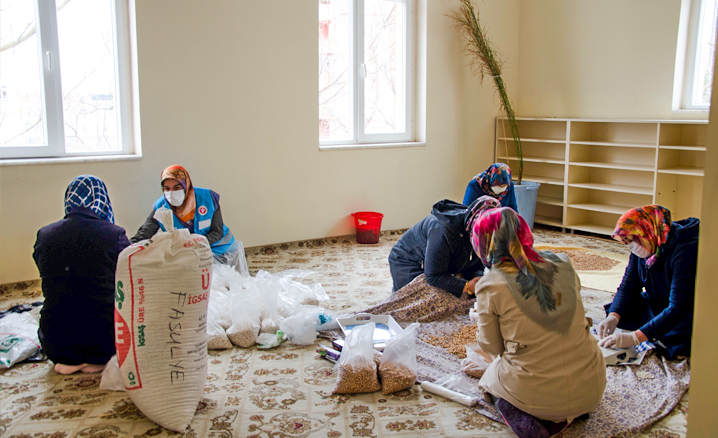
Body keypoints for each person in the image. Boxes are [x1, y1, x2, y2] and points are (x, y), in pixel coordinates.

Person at [471, 207, 606, 438]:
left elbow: (492, 347)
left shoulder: (490, 284)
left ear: (484, 243)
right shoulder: (564, 262)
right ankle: (571, 414)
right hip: (592, 385)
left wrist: (481, 320)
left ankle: (535, 422)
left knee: (489, 381)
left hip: (537, 390)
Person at [33, 175, 130, 374]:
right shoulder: (114, 235)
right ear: (102, 199)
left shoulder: (44, 235)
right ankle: (95, 362)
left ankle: (72, 362)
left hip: (55, 345)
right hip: (105, 342)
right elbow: (131, 273)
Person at [598, 205, 699, 359]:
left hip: (682, 312)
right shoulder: (646, 244)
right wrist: (613, 316)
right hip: (657, 302)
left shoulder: (685, 250)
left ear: (646, 232)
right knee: (622, 311)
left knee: (677, 339)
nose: (630, 246)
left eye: (630, 241)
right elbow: (628, 287)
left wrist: (635, 338)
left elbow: (678, 307)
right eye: (626, 242)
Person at [131, 165, 242, 269]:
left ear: (186, 185)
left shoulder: (207, 198)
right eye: (167, 189)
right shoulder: (161, 207)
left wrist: (192, 245)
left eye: (177, 188)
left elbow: (217, 232)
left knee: (228, 281)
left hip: (221, 249)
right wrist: (127, 247)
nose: (171, 193)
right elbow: (145, 233)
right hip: (189, 254)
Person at [387, 196, 500, 296]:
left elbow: (476, 264)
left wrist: (480, 279)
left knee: (471, 297)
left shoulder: (477, 229)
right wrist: (467, 286)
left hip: (440, 264)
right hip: (407, 262)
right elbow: (434, 276)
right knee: (435, 301)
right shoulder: (443, 230)